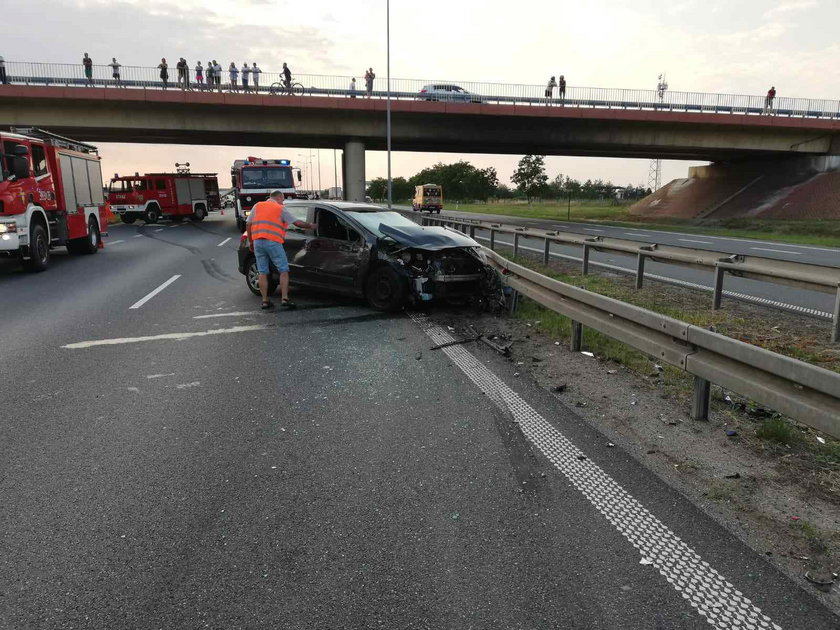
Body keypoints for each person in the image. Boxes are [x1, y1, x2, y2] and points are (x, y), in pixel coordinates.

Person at [246, 190, 317, 310]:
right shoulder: (279, 208)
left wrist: (251, 241)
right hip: (273, 242)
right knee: (283, 270)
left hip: (258, 241)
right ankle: (285, 299)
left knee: (262, 272)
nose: (283, 202)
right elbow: (297, 223)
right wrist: (310, 225)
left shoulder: (257, 206)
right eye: (282, 200)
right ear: (279, 198)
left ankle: (264, 301)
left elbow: (248, 224)